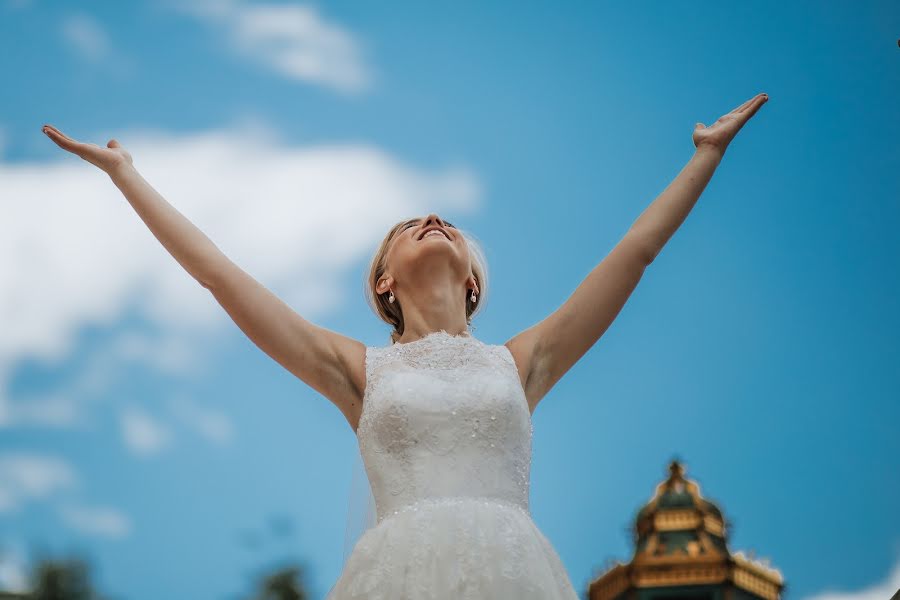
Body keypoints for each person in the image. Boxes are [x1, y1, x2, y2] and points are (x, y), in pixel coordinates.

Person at [41, 91, 768, 598]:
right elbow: (218, 275)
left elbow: (634, 254)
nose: (432, 218)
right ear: (382, 283)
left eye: (447, 224)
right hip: (396, 576)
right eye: (409, 228)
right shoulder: (358, 371)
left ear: (475, 286)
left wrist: (705, 156)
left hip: (514, 572)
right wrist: (126, 176)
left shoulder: (522, 362)